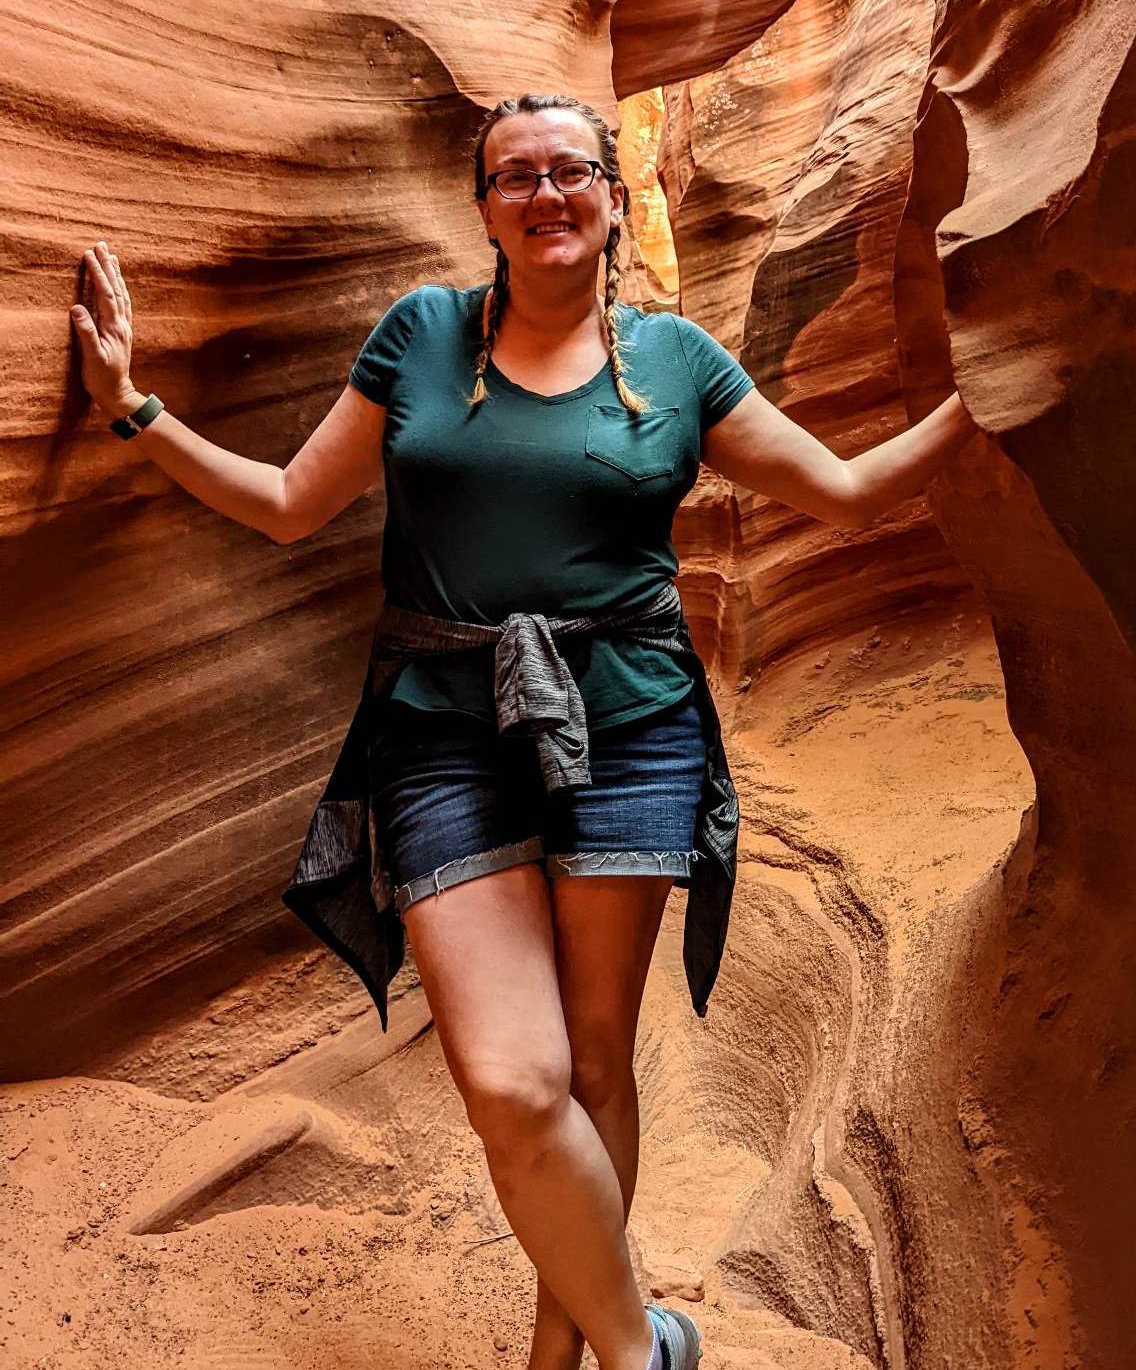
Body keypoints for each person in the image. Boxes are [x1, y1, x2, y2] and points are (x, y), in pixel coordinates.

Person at [69, 92, 981, 1370]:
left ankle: (570, 1358)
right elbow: (289, 504)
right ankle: (643, 1347)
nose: (547, 195)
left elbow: (841, 489)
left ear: (611, 196)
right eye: (517, 178)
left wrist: (991, 373)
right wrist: (134, 409)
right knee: (512, 1080)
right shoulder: (421, 337)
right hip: (443, 725)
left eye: (573, 172)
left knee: (595, 1059)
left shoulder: (676, 364)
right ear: (485, 208)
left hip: (635, 724)